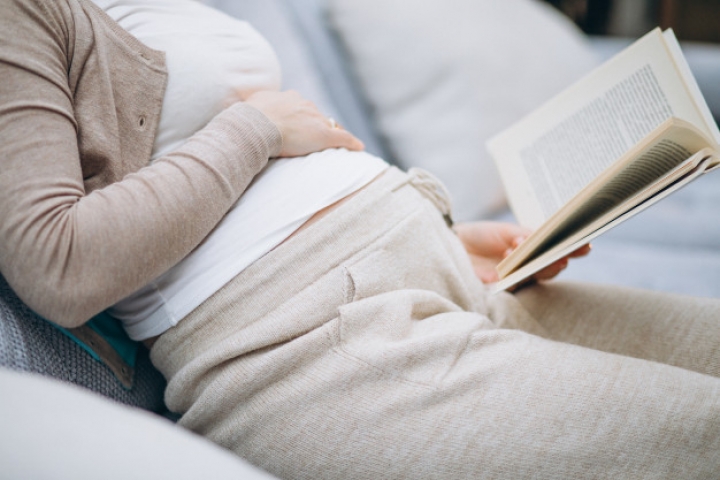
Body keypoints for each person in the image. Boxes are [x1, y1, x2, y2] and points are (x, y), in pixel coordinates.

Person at [1, 1, 719, 479]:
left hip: (443, 283)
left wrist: (442, 239)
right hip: (311, 347)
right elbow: (56, 262)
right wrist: (258, 131)